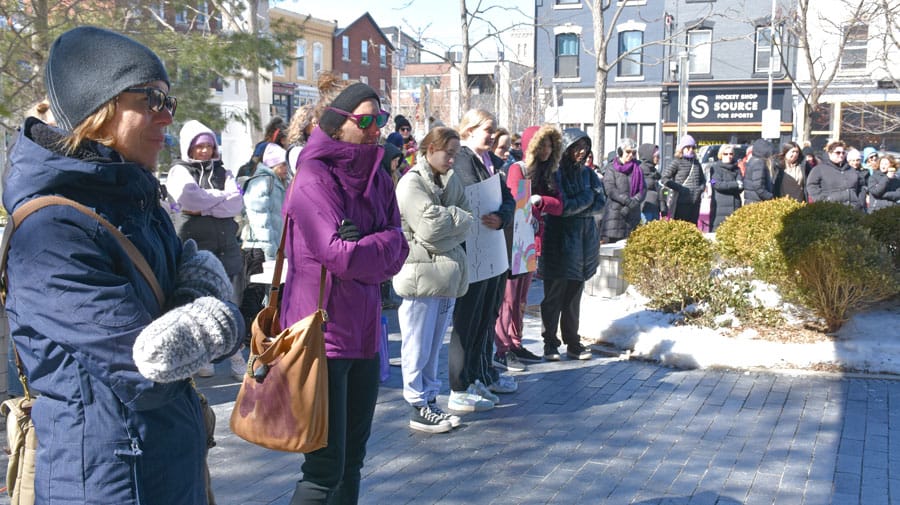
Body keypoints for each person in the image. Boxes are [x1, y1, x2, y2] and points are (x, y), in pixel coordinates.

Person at [2, 26, 243, 504]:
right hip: (106, 479)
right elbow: (150, 365)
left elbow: (192, 298)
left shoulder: (135, 198)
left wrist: (200, 303)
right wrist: (215, 309)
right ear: (99, 106)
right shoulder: (51, 229)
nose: (167, 119)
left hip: (166, 461)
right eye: (152, 100)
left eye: (169, 103)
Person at [282, 73, 408, 504]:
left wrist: (370, 245)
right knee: (323, 467)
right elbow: (339, 255)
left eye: (382, 120)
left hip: (366, 334)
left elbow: (399, 245)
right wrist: (375, 248)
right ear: (337, 124)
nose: (378, 130)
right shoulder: (313, 177)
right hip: (321, 337)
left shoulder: (378, 177)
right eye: (367, 121)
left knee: (353, 459)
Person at [394, 126, 472, 433]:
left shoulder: (449, 182)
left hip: (444, 273)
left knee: (432, 344)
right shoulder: (411, 183)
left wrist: (449, 220)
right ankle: (417, 403)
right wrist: (453, 221)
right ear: (430, 150)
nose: (452, 160)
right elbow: (430, 229)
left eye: (455, 154)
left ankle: (428, 399)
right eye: (448, 153)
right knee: (416, 343)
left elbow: (468, 216)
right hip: (419, 276)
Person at [447, 108, 517, 412]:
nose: (492, 135)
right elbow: (464, 196)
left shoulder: (490, 163)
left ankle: (477, 375)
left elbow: (509, 199)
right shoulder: (462, 160)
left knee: (486, 318)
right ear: (470, 129)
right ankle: (459, 385)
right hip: (471, 251)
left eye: (493, 129)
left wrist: (502, 217)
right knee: (468, 321)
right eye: (487, 129)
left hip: (492, 248)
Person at [166, 119, 247, 380]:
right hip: (197, 247)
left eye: (209, 146)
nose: (205, 151)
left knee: (231, 302)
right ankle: (205, 357)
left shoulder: (223, 171)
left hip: (227, 248)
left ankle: (236, 357)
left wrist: (203, 206)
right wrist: (218, 200)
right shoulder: (179, 171)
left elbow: (236, 204)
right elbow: (187, 197)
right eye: (199, 146)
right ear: (188, 147)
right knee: (199, 304)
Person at [493, 124, 562, 372]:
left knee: (521, 298)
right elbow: (515, 203)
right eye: (542, 144)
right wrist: (535, 205)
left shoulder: (545, 174)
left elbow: (558, 205)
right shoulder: (517, 168)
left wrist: (540, 201)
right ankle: (502, 348)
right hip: (516, 241)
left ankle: (515, 342)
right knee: (508, 298)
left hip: (532, 241)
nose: (546, 149)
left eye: (550, 145)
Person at [540, 128, 605, 362]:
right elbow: (563, 207)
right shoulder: (555, 173)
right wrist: (586, 199)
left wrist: (582, 204)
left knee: (574, 295)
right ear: (566, 149)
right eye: (576, 147)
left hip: (584, 241)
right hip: (559, 240)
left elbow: (601, 204)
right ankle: (549, 342)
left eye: (584, 147)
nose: (581, 152)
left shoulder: (589, 175)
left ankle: (572, 341)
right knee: (554, 295)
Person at [241, 143, 289, 260]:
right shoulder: (262, 182)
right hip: (259, 249)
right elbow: (259, 219)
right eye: (282, 165)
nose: (286, 168)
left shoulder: (282, 182)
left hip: (276, 249)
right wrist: (271, 251)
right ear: (273, 165)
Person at [600, 138, 645, 243]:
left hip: (633, 216)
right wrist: (627, 201)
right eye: (628, 152)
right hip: (614, 216)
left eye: (633, 153)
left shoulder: (638, 168)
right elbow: (610, 189)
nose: (631, 155)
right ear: (620, 152)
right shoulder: (611, 168)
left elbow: (643, 189)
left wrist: (634, 202)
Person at [806, 140, 865, 211]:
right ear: (830, 153)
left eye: (843, 153)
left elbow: (861, 187)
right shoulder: (819, 169)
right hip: (831, 210)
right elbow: (811, 186)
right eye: (838, 153)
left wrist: (860, 202)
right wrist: (823, 201)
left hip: (853, 210)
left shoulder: (851, 170)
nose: (841, 155)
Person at [661, 134, 704, 223]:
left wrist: (700, 189)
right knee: (680, 226)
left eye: (693, 148)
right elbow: (664, 178)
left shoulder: (696, 163)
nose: (691, 150)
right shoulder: (677, 162)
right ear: (682, 149)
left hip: (695, 202)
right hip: (680, 202)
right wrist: (680, 188)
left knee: (693, 227)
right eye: (688, 147)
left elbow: (703, 180)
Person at [707, 144, 744, 231]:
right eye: (726, 154)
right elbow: (716, 184)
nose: (729, 156)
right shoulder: (714, 168)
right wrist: (735, 184)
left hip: (735, 205)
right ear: (721, 155)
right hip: (719, 207)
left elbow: (742, 185)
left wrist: (736, 185)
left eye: (731, 154)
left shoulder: (737, 169)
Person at [286, 103, 317, 175]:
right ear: (305, 124)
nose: (317, 126)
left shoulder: (311, 145)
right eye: (314, 122)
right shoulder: (297, 150)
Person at [742, 139, 775, 205]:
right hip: (757, 201)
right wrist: (770, 197)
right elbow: (758, 187)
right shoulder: (759, 163)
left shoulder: (752, 160)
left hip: (751, 200)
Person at [638, 143, 661, 222]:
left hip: (655, 208)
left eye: (658, 155)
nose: (658, 158)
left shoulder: (654, 172)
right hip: (645, 208)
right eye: (656, 155)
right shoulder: (640, 170)